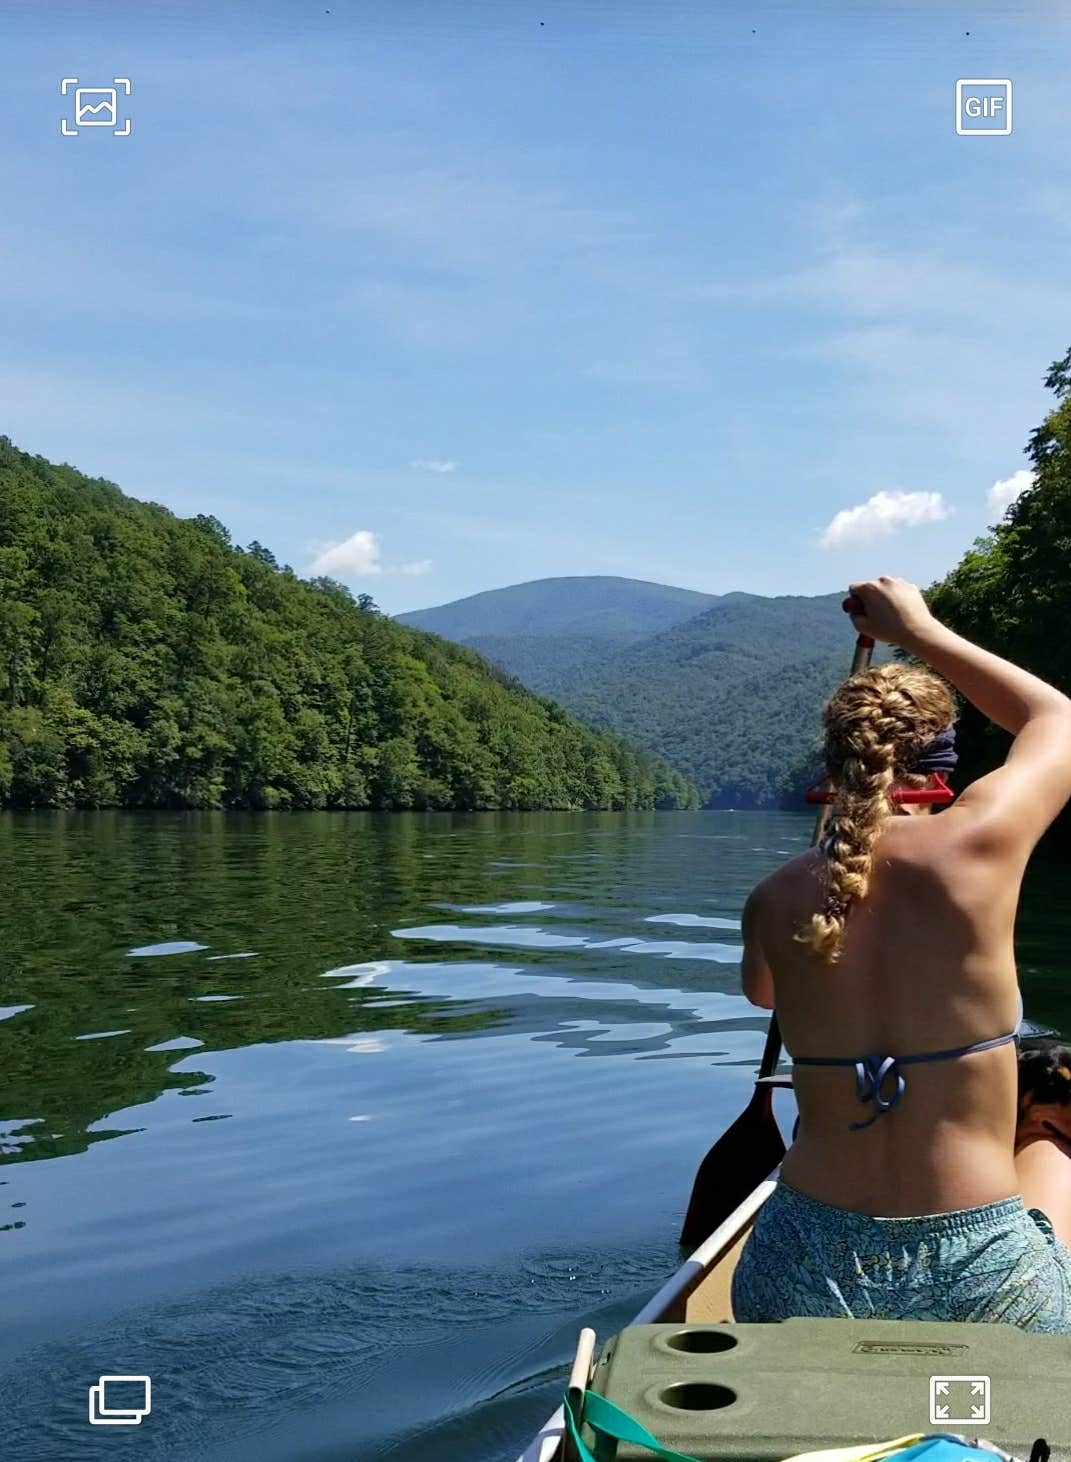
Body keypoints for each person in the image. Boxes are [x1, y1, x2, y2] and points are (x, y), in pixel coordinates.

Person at [730, 575, 1071, 1332]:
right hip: (983, 1279)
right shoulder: (982, 843)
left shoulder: (773, 896)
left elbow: (763, 996)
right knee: (1052, 1154)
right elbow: (1057, 718)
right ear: (944, 770)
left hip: (798, 1268)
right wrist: (918, 629)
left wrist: (821, 872)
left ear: (833, 769)